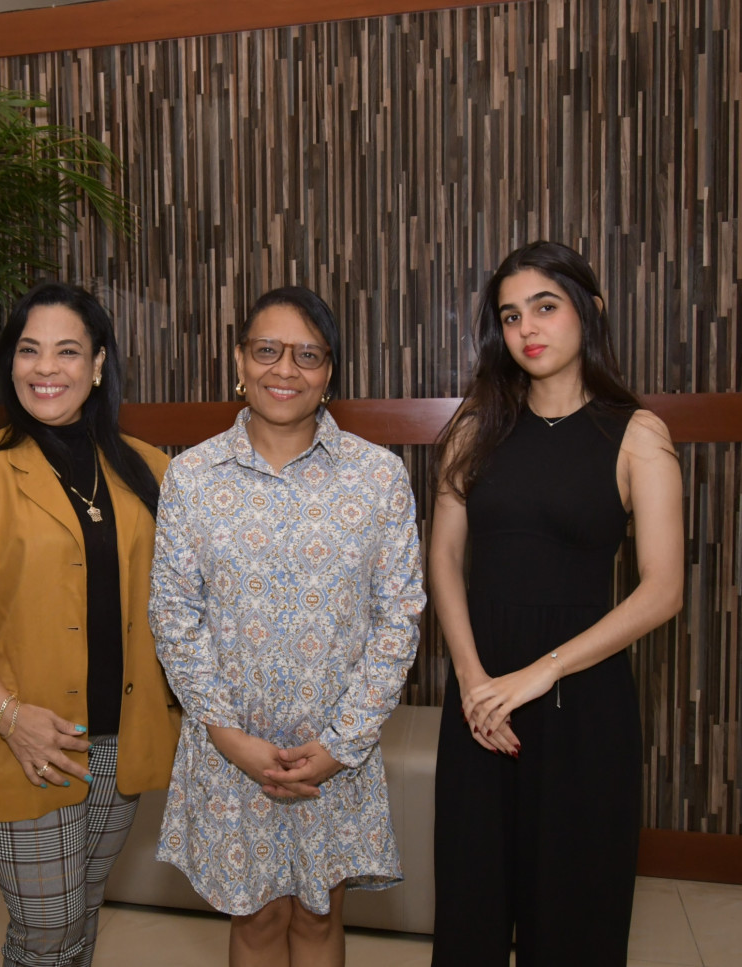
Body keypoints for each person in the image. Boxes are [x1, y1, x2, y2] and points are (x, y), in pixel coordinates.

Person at [150, 285, 425, 967]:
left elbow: (401, 618)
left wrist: (343, 741)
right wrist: (227, 733)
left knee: (317, 914)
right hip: (230, 748)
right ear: (238, 361)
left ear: (330, 373)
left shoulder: (378, 477)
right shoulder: (190, 476)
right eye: (267, 350)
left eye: (308, 354)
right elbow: (175, 616)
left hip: (336, 751)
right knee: (259, 918)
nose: (285, 369)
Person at [430, 241, 684, 966]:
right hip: (480, 702)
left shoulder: (637, 433)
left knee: (575, 915)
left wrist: (540, 673)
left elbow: (663, 589)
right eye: (510, 315)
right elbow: (444, 560)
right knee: (470, 911)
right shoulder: (475, 427)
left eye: (545, 305)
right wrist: (476, 679)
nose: (527, 328)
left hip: (585, 700)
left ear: (590, 312)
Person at [0, 282, 180, 967]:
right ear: (9, 363)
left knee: (78, 919)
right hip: (19, 738)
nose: (46, 368)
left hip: (120, 742)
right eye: (29, 350)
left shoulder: (151, 471)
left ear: (99, 364)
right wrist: (11, 716)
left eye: (67, 350)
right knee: (44, 934)